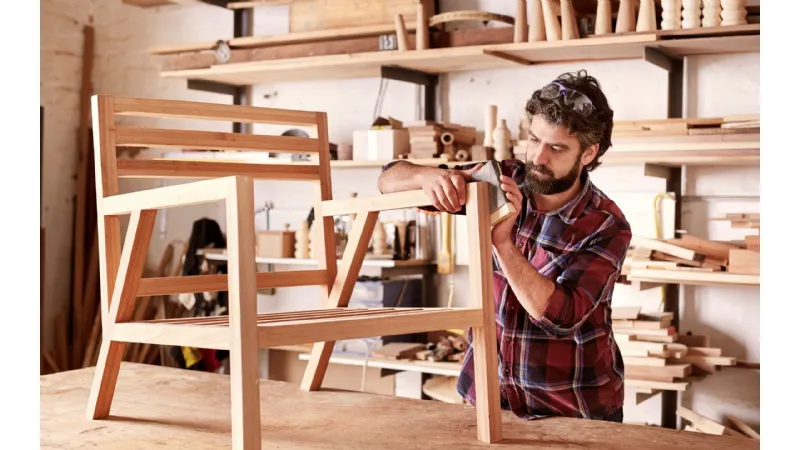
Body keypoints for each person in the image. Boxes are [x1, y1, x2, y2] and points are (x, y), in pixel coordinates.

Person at [377, 70, 630, 422]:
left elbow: (560, 317)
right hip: (487, 399)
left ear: (588, 153)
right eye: (534, 139)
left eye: (557, 148)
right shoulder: (500, 180)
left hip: (570, 409)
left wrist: (502, 244)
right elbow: (387, 180)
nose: (538, 157)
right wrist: (428, 176)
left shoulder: (606, 224)